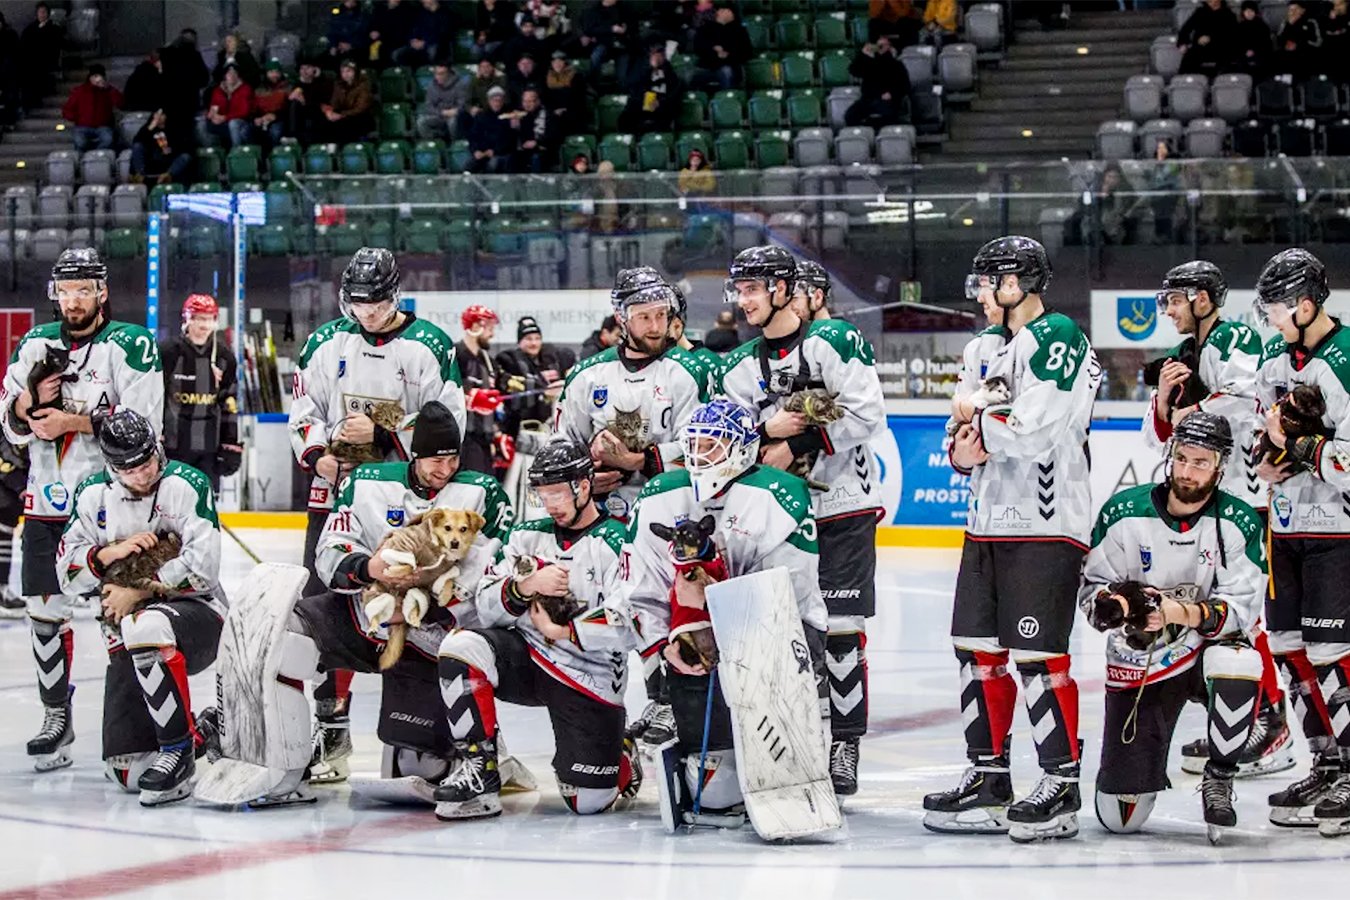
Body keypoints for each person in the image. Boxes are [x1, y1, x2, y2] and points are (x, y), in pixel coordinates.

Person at [921, 236, 1099, 842]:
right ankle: (990, 778)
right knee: (974, 650)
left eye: (986, 281)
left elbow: (1032, 430)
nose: (977, 293)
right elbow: (962, 438)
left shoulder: (1058, 337)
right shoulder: (981, 347)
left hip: (1046, 522)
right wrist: (962, 440)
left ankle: (1061, 784)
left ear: (1016, 283)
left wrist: (976, 416)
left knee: (1038, 657)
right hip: (986, 520)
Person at [288, 247, 466, 781]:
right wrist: (318, 456)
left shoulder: (429, 344)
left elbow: (449, 422)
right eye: (358, 304)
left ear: (395, 294)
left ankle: (429, 731)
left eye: (376, 303)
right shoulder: (325, 341)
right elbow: (305, 408)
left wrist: (385, 429)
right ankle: (331, 726)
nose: (366, 314)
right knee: (327, 603)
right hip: (337, 489)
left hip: (408, 499)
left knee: (416, 607)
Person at [717, 246, 886, 797]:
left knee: (841, 628)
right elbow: (732, 436)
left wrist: (800, 438)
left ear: (785, 289)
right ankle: (788, 741)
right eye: (738, 291)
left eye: (752, 289)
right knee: (779, 634)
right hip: (776, 515)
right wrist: (771, 436)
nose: (743, 301)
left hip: (842, 505)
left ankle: (845, 743)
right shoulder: (740, 364)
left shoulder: (834, 341)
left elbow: (867, 413)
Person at [621, 398, 827, 824]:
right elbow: (638, 591)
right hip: (693, 634)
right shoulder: (660, 495)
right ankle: (702, 747)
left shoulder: (778, 494)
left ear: (742, 449)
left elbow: (788, 595)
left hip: (776, 634)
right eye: (693, 446)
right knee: (714, 795)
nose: (698, 458)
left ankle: (789, 764)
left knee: (775, 665)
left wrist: (719, 619)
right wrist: (664, 645)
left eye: (712, 447)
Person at [1, 248, 165, 774]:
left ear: (102, 292)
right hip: (48, 503)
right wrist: (29, 403)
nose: (74, 301)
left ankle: (134, 727)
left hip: (114, 507)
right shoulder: (34, 344)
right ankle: (57, 719)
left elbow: (146, 425)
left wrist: (73, 422)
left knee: (122, 615)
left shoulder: (131, 343)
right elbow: (9, 422)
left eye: (83, 291)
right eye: (65, 292)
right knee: (44, 614)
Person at [299, 401, 517, 789]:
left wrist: (432, 604)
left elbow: (497, 565)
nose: (446, 470)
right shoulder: (366, 481)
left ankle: (480, 749)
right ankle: (304, 743)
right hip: (371, 616)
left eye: (453, 460)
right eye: (436, 460)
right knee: (289, 631)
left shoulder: (482, 492)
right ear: (415, 454)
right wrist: (369, 569)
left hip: (435, 636)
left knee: (423, 765)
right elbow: (330, 548)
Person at [1083, 412, 1267, 841]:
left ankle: (1219, 777)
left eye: (1200, 462)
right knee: (1119, 818)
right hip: (1145, 660)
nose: (1187, 471)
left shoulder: (1238, 521)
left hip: (1204, 650)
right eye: (1182, 458)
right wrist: (1119, 606)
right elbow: (1092, 593)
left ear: (1221, 465)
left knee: (1239, 661)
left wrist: (1181, 613)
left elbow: (1243, 610)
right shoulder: (1124, 512)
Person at [1141, 261, 1293, 779]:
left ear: (1203, 298)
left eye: (1176, 299)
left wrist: (1191, 411)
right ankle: (1237, 723)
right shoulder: (1184, 354)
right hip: (1206, 503)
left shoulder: (1237, 338)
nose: (1170, 309)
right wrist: (1165, 400)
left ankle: (1270, 727)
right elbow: (1156, 434)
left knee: (1243, 615)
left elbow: (1245, 398)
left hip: (1242, 499)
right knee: (1210, 617)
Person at [435, 440, 641, 820]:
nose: (549, 504)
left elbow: (631, 623)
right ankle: (480, 768)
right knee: (462, 645)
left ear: (583, 485)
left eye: (557, 493)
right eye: (543, 495)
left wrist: (564, 630)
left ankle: (621, 750)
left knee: (588, 802)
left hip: (587, 675)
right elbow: (483, 606)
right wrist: (523, 587)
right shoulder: (525, 535)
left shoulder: (620, 540)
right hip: (527, 659)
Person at [55, 409, 225, 806]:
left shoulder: (188, 484)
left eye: (148, 461)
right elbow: (67, 575)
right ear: (111, 467)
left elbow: (203, 570)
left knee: (146, 624)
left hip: (199, 616)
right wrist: (105, 554)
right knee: (126, 772)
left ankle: (179, 750)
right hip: (123, 634)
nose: (144, 474)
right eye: (131, 469)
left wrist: (137, 591)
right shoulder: (91, 494)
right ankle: (205, 731)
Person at [1251, 249, 1350, 832]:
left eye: (1277, 311)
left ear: (1306, 305)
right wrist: (1266, 457)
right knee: (1289, 649)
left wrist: (1304, 450)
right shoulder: (1273, 358)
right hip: (1283, 526)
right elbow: (1262, 435)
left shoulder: (1344, 358)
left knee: (1333, 655)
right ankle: (1326, 759)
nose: (1270, 322)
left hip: (1338, 529)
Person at [160, 294, 241, 495]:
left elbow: (229, 402)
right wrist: (154, 436)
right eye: (198, 318)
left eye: (209, 318)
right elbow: (154, 398)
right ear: (187, 319)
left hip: (208, 449)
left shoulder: (224, 357)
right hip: (172, 446)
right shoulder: (168, 352)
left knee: (205, 503)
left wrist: (230, 444)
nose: (204, 324)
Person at [453, 304, 505, 476]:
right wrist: (468, 398)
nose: (492, 334)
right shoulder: (455, 355)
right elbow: (442, 392)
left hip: (484, 438)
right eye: (489, 328)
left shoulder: (488, 361)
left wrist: (497, 434)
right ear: (475, 326)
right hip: (462, 438)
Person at [497, 316, 566, 440]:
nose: (534, 343)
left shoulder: (550, 359)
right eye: (528, 339)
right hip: (519, 428)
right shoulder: (508, 360)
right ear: (519, 341)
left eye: (537, 338)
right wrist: (543, 390)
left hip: (548, 426)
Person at [618, 41, 682, 136]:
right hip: (643, 104)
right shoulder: (641, 66)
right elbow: (631, 86)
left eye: (661, 54)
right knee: (625, 119)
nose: (659, 57)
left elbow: (675, 91)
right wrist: (650, 68)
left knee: (664, 116)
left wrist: (660, 102)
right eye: (656, 54)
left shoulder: (668, 70)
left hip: (661, 106)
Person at [844, 36, 911, 128]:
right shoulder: (869, 62)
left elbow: (905, 86)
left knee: (887, 115)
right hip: (868, 99)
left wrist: (892, 94)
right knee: (850, 116)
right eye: (878, 45)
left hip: (887, 100)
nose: (880, 47)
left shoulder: (896, 65)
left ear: (889, 47)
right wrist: (863, 54)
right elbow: (853, 70)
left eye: (883, 45)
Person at [62, 64, 122, 152]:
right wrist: (77, 118)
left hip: (103, 126)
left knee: (108, 139)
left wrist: (109, 89)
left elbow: (120, 103)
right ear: (90, 77)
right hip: (82, 126)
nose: (97, 79)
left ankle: (95, 156)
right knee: (80, 142)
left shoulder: (108, 91)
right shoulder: (80, 91)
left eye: (100, 76)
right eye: (95, 76)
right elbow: (67, 109)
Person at [691, 4, 751, 92]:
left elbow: (746, 52)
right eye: (722, 10)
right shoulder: (705, 29)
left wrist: (727, 55)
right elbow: (698, 47)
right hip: (707, 66)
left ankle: (725, 100)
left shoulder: (739, 31)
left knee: (726, 71)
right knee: (689, 74)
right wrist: (714, 49)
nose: (723, 11)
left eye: (727, 10)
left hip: (730, 65)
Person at [159, 28, 210, 127]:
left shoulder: (166, 54)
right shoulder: (194, 55)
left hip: (169, 99)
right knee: (185, 131)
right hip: (188, 100)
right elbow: (204, 79)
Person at [579, 0, 637, 86]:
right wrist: (610, 29)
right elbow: (589, 29)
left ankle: (621, 92)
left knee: (623, 74)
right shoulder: (594, 10)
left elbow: (633, 26)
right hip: (602, 43)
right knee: (596, 57)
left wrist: (626, 29)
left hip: (622, 45)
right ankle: (593, 87)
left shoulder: (624, 9)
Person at [129, 108, 193, 185]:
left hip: (170, 160)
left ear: (166, 116)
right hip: (152, 159)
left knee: (185, 157)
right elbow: (137, 142)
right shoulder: (148, 127)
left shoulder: (175, 128)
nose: (158, 117)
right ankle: (139, 176)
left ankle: (167, 176)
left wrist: (172, 149)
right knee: (137, 147)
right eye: (156, 114)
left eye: (161, 115)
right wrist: (150, 128)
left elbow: (185, 146)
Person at [19, 1, 63, 111]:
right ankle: (28, 104)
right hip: (31, 60)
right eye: (39, 12)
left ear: (48, 13)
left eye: (44, 12)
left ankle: (35, 101)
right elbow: (24, 44)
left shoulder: (54, 28)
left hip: (46, 59)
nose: (42, 14)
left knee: (35, 72)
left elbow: (55, 45)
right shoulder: (30, 28)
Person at [320, 59, 374, 145]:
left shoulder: (364, 85)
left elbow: (360, 108)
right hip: (344, 115)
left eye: (348, 71)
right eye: (343, 71)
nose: (345, 74)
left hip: (360, 117)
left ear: (355, 72)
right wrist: (330, 112)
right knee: (324, 121)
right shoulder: (339, 85)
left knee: (345, 124)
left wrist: (341, 115)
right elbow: (334, 103)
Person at [1177, 0, 1236, 79]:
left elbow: (1232, 35)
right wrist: (1182, 43)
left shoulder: (1229, 14)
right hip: (1201, 47)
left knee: (1227, 57)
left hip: (1220, 48)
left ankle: (1218, 85)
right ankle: (1182, 83)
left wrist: (1211, 38)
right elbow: (1186, 28)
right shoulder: (1200, 12)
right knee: (1189, 57)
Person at [466, 85, 516, 174]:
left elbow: (509, 139)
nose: (497, 103)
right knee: (469, 165)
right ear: (489, 101)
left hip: (499, 153)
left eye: (499, 101)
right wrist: (476, 150)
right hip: (481, 152)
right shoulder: (481, 116)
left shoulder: (508, 116)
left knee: (493, 164)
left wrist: (495, 151)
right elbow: (473, 136)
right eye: (494, 100)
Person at [287, 57, 334, 147]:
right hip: (303, 113)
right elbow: (292, 98)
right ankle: (293, 136)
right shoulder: (297, 84)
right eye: (302, 68)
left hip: (319, 112)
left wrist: (306, 102)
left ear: (315, 69)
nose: (305, 71)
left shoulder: (323, 83)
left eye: (308, 67)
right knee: (294, 103)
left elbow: (323, 102)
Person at [206, 64, 255, 150]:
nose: (232, 76)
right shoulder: (218, 90)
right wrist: (212, 115)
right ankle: (213, 154)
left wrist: (225, 117)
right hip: (223, 122)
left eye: (234, 73)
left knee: (234, 124)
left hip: (242, 122)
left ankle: (236, 152)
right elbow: (214, 106)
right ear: (225, 76)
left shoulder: (245, 88)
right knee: (202, 123)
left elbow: (244, 112)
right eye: (229, 74)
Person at [416, 62, 469, 141]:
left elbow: (463, 104)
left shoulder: (460, 85)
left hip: (454, 115)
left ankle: (454, 144)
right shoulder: (432, 85)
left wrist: (455, 111)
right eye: (437, 74)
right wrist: (441, 112)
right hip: (439, 115)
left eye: (442, 74)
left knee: (453, 122)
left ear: (449, 74)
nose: (439, 77)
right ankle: (436, 145)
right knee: (421, 122)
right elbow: (429, 106)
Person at [393, 0, 453, 67]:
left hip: (434, 44)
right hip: (418, 43)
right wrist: (413, 39)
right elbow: (414, 28)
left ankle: (430, 72)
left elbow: (442, 34)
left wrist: (425, 42)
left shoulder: (446, 14)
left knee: (432, 52)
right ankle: (407, 74)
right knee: (397, 53)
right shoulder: (421, 13)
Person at [512, 86, 556, 173]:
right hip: (522, 151)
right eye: (524, 101)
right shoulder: (518, 114)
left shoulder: (548, 115)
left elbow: (554, 136)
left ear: (538, 101)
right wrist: (514, 127)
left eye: (530, 101)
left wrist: (537, 142)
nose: (527, 104)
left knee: (536, 158)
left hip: (543, 150)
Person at [1275, 0, 1322, 80]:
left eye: (1295, 9)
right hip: (1288, 56)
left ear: (1302, 10)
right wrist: (1289, 27)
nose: (1293, 12)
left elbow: (1318, 42)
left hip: (1306, 55)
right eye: (1290, 10)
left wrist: (1299, 44)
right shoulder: (1285, 23)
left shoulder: (1311, 22)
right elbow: (1278, 40)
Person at [252, 60, 292, 148]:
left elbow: (289, 108)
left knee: (275, 131)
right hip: (262, 119)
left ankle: (275, 155)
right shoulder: (259, 89)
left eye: (277, 72)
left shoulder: (287, 87)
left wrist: (275, 116)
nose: (274, 75)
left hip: (280, 118)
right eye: (271, 72)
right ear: (266, 74)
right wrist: (256, 118)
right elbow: (254, 108)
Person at [1232, 0, 1273, 81]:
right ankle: (1245, 84)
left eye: (1251, 11)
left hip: (1260, 53)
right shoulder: (1240, 27)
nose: (1249, 13)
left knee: (1261, 64)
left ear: (1255, 12)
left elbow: (1266, 43)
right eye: (1247, 11)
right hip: (1243, 54)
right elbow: (1237, 43)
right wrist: (1245, 51)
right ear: (1243, 12)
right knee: (1240, 63)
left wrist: (1254, 50)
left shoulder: (1262, 26)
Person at [370, 0, 417, 67]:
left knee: (392, 53)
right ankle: (375, 73)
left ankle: (396, 73)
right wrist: (373, 31)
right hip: (381, 40)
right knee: (373, 49)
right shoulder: (379, 8)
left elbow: (403, 31)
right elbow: (373, 25)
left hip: (399, 42)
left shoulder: (407, 10)